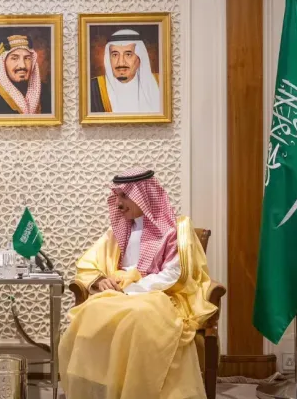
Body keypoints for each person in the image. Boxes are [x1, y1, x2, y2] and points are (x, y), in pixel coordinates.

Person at [58, 168, 217, 399]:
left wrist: (132, 288)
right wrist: (101, 280)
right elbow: (91, 262)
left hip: (161, 296)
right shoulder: (119, 230)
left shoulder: (176, 230)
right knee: (92, 311)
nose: (119, 204)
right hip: (120, 295)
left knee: (137, 316)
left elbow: (175, 274)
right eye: (117, 196)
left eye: (125, 196)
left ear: (145, 196)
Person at [90, 29, 160, 113]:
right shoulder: (92, 88)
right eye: (115, 55)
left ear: (140, 58)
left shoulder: (160, 84)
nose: (121, 62)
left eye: (128, 54)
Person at [0, 34, 51, 114]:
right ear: (3, 63)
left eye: (27, 58)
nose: (22, 65)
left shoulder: (44, 90)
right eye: (14, 58)